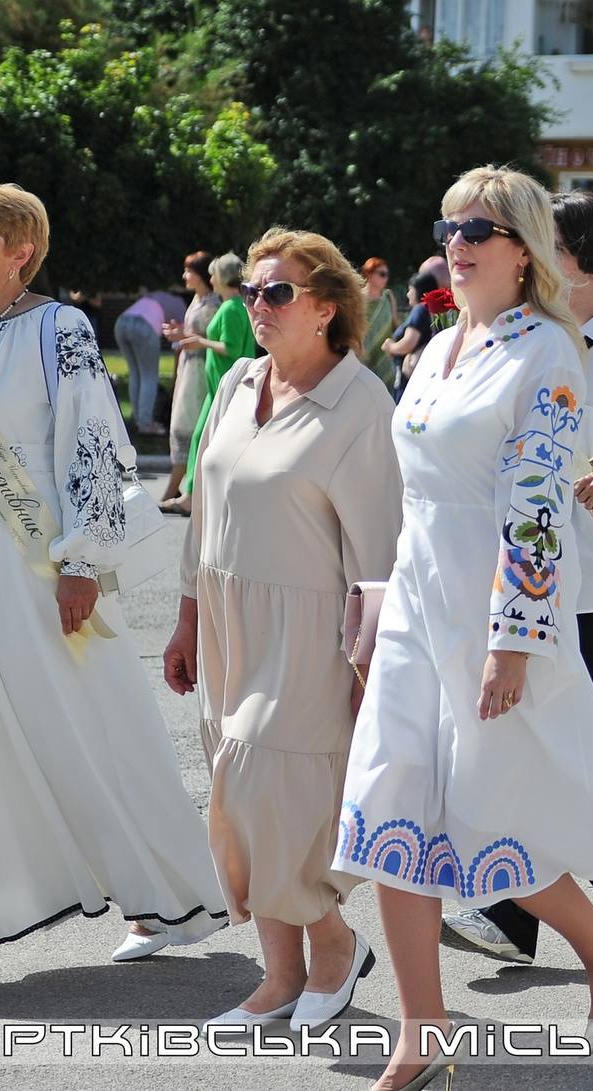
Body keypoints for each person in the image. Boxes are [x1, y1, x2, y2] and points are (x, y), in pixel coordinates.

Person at [336, 167, 593, 1090]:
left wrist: (512, 640)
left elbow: (536, 510)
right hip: (416, 606)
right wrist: (375, 603)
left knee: (495, 828)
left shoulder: (547, 353)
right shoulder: (439, 346)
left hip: (492, 615)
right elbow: (410, 497)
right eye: (449, 223)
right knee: (388, 811)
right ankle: (425, 1027)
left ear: (523, 246)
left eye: (480, 228)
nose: (459, 241)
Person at [0, 172, 226, 998]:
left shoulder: (61, 329)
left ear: (21, 255)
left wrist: (82, 562)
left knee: (86, 727)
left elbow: (92, 444)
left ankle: (163, 897)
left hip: (32, 566)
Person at [163, 229, 403, 1028]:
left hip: (310, 633)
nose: (257, 305)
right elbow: (205, 507)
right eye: (251, 293)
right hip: (229, 622)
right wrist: (186, 616)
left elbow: (379, 554)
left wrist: (375, 674)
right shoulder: (236, 380)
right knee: (237, 800)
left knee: (273, 796)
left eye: (277, 293)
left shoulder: (361, 403)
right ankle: (278, 974)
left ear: (327, 309)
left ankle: (334, 945)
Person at [441, 190, 593, 966]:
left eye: (548, 242)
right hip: (531, 580)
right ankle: (533, 910)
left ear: (582, 258)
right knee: (546, 743)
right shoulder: (512, 339)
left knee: (575, 744)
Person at [185, 254, 257, 487]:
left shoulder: (230, 308)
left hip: (226, 386)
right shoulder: (235, 306)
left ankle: (192, 494)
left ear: (223, 277)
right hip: (219, 387)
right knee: (202, 437)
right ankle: (192, 492)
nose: (211, 279)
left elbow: (231, 348)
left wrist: (200, 341)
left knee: (203, 439)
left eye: (213, 274)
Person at [161, 252, 220, 511]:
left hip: (199, 369)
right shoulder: (196, 300)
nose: (185, 276)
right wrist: (180, 334)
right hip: (188, 365)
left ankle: (175, 489)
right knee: (180, 424)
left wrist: (186, 335)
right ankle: (177, 487)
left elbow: (212, 337)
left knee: (189, 425)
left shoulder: (215, 302)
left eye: (189, 271)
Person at [114, 288, 167, 433]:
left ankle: (138, 419)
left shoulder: (149, 297)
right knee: (149, 375)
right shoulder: (179, 303)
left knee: (135, 373)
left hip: (121, 323)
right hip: (144, 326)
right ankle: (145, 423)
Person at [383, 271, 442, 394]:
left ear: (419, 290)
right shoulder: (433, 310)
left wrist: (390, 347)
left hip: (409, 377)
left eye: (410, 289)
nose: (408, 294)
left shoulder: (420, 309)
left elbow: (408, 343)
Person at [359, 257, 400, 389]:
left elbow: (396, 324)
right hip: (362, 356)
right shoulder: (357, 298)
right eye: (382, 274)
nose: (386, 278)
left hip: (385, 358)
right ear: (369, 274)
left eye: (387, 274)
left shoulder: (388, 296)